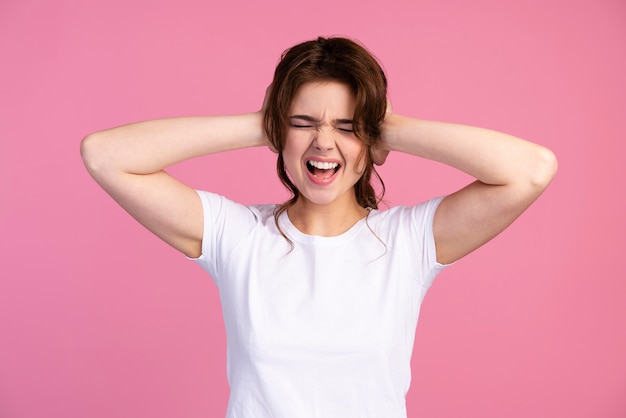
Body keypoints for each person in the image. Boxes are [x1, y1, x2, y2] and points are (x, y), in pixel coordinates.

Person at [81, 36, 557, 418]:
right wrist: (264, 123)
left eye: (347, 126)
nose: (323, 142)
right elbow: (105, 155)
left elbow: (531, 169)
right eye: (304, 123)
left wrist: (384, 128)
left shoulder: (406, 241)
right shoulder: (239, 235)